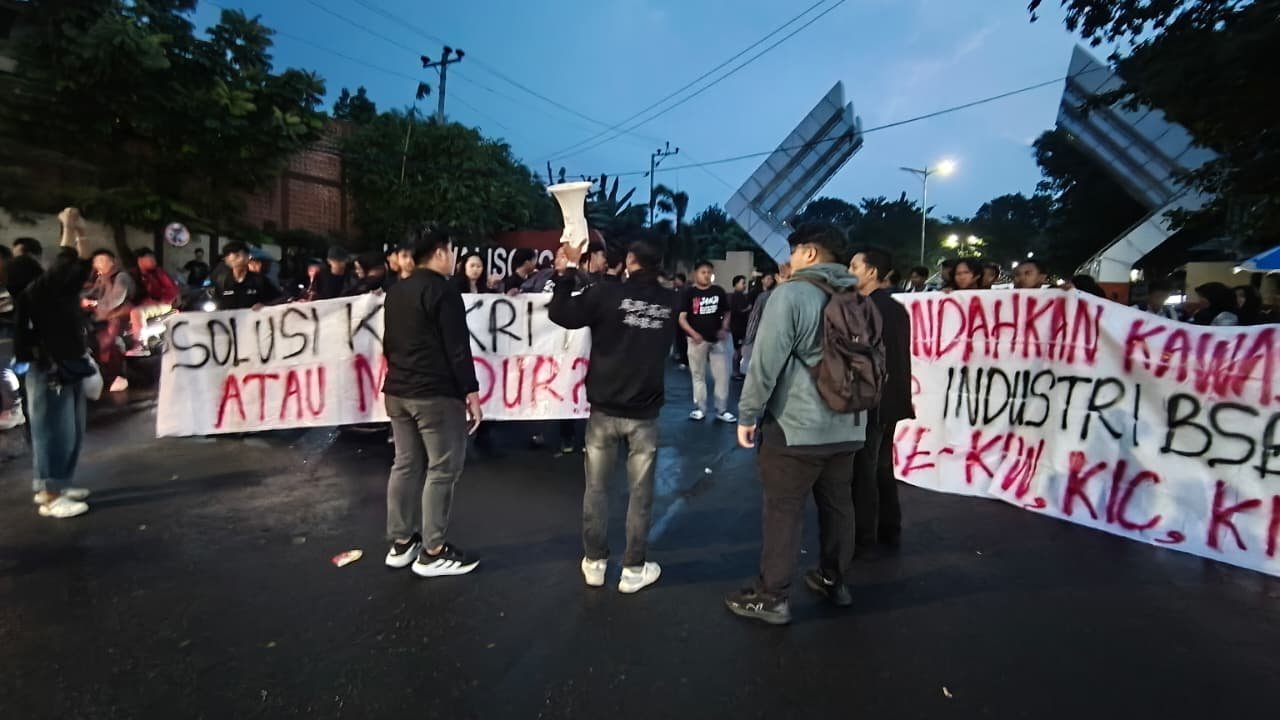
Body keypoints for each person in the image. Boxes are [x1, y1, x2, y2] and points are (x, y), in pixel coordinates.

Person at [726, 223, 865, 626]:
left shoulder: (791, 295)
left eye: (793, 252)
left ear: (808, 253)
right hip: (851, 425)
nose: (788, 260)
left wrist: (748, 415)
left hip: (797, 426)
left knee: (783, 510)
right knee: (839, 506)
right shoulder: (859, 300)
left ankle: (772, 597)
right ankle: (833, 580)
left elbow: (764, 364)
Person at [548, 238, 672, 594]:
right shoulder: (668, 301)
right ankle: (633, 569)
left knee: (597, 488)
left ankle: (595, 562)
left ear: (630, 261)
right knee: (640, 493)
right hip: (645, 413)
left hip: (603, 409)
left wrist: (566, 273)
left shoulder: (605, 294)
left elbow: (561, 314)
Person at [381, 226, 483, 578]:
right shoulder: (444, 292)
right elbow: (458, 349)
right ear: (440, 252)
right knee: (442, 468)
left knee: (405, 464)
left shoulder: (395, 292)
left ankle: (401, 543)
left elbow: (387, 344)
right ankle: (433, 551)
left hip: (396, 392)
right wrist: (471, 393)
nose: (454, 258)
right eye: (452, 251)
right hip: (434, 396)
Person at [14, 212, 95, 519]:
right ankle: (50, 494)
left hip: (66, 365)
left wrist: (80, 234)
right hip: (50, 368)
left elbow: (76, 267)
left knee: (70, 429)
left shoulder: (55, 292)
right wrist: (69, 227)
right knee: (54, 431)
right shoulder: (37, 292)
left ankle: (58, 483)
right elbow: (64, 262)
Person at [848, 248, 912, 554]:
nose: (850, 270)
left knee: (864, 471)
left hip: (872, 402)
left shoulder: (866, 308)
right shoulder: (896, 308)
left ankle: (864, 537)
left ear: (871, 272)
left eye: (854, 266)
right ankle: (889, 527)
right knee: (882, 468)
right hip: (893, 400)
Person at [679, 260, 735, 423]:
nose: (707, 275)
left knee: (723, 375)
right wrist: (693, 334)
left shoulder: (718, 291)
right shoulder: (689, 293)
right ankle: (700, 408)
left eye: (709, 272)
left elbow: (727, 312)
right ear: (695, 274)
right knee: (698, 376)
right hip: (696, 341)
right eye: (703, 272)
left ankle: (721, 409)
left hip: (717, 340)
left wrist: (724, 327)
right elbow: (682, 318)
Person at [82, 249, 135, 393]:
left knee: (110, 341)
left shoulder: (121, 277)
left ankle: (119, 376)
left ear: (111, 262)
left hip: (119, 315)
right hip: (103, 315)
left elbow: (116, 300)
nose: (97, 264)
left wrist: (94, 304)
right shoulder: (102, 278)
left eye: (101, 261)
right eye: (96, 261)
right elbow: (93, 292)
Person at [126, 247, 179, 356]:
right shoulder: (133, 274)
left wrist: (157, 301)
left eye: (153, 258)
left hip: (162, 304)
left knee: (137, 312)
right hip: (142, 304)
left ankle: (140, 345)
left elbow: (172, 291)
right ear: (140, 260)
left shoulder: (159, 273)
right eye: (149, 258)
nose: (153, 261)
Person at [212, 243, 282, 310]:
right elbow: (216, 305)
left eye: (239, 254)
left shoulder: (259, 280)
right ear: (226, 260)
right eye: (229, 254)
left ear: (248, 257)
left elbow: (279, 299)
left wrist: (265, 305)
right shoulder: (222, 281)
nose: (235, 258)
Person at [728, 275, 752, 380]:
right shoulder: (736, 296)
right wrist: (748, 308)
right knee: (738, 350)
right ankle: (735, 372)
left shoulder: (741, 295)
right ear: (736, 284)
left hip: (741, 327)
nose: (745, 285)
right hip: (737, 327)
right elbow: (738, 310)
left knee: (740, 350)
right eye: (743, 283)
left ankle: (737, 371)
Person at [671, 272, 689, 366]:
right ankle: (681, 356)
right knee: (680, 339)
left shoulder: (683, 291)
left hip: (681, 318)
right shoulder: (679, 290)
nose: (674, 281)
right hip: (680, 317)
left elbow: (680, 305)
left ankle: (683, 359)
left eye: (676, 279)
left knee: (681, 339)